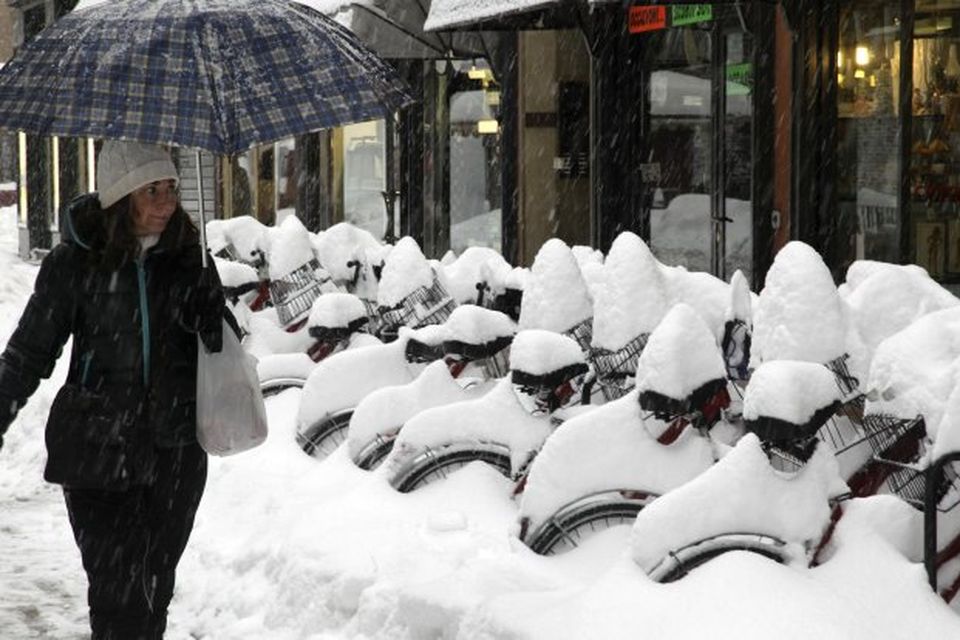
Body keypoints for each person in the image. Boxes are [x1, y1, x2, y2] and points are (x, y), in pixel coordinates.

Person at [0, 140, 226, 639]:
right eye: (152, 190)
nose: (167, 201)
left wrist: (212, 308)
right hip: (97, 452)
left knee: (154, 588)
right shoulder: (74, 264)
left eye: (171, 188)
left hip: (176, 453)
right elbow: (29, 352)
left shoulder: (188, 259)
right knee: (118, 596)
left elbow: (214, 356)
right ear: (122, 196)